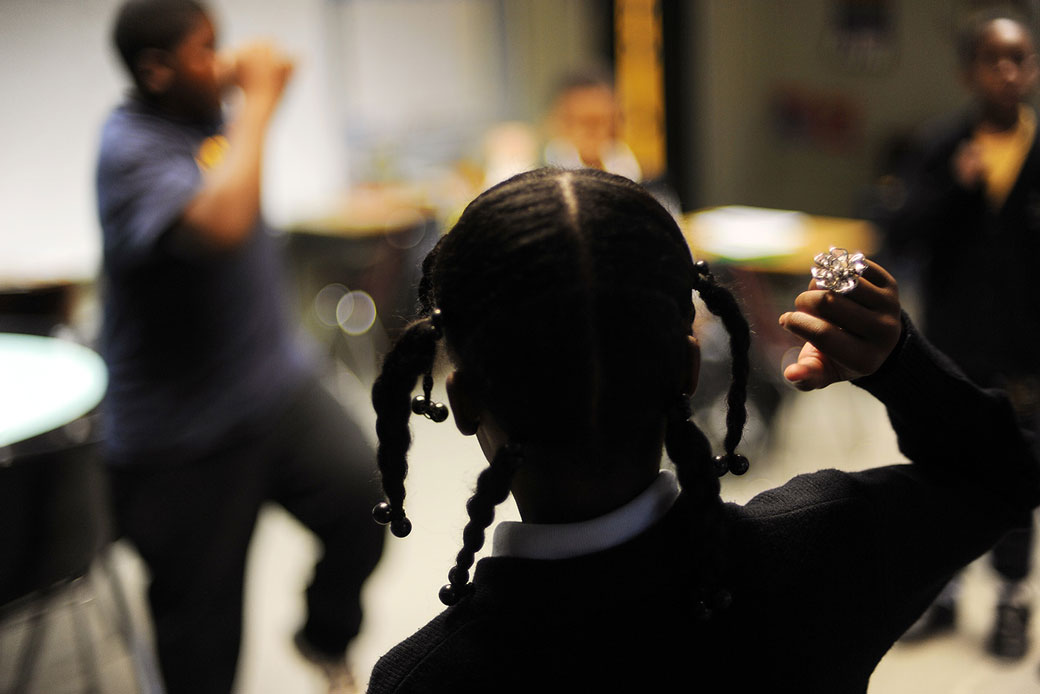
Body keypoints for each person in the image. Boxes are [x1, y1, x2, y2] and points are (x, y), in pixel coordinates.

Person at [362, 166, 1040, 692]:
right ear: (689, 370)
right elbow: (1006, 474)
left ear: (465, 399)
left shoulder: (423, 680)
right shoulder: (828, 548)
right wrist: (900, 367)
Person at [94, 2, 385, 692]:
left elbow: (235, 163)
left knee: (364, 502)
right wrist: (258, 100)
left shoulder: (204, 121)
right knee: (202, 652)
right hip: (180, 437)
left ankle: (322, 636)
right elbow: (220, 222)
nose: (222, 63)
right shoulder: (128, 148)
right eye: (205, 50)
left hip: (271, 388)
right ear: (156, 70)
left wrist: (253, 100)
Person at [876, 7, 1040, 659]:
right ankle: (942, 593)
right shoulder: (943, 146)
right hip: (952, 344)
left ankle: (1009, 599)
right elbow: (897, 234)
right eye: (994, 59)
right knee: (942, 469)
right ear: (968, 70)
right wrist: (954, 187)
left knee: (1017, 475)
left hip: (1026, 351)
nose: (1009, 72)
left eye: (1020, 58)